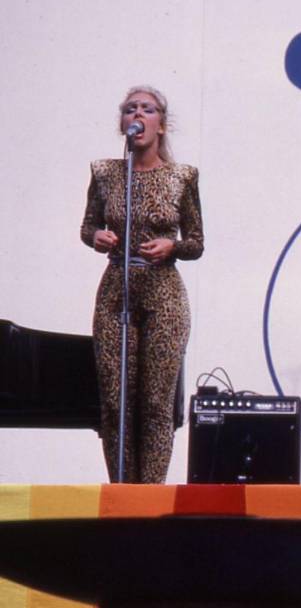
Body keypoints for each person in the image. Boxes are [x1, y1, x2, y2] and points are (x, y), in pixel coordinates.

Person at [80, 86, 203, 483]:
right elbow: (88, 227)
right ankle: (121, 493)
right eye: (130, 109)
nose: (137, 114)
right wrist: (96, 236)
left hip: (163, 293)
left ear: (161, 125)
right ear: (123, 123)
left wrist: (172, 246)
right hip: (116, 289)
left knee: (154, 403)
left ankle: (149, 497)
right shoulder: (105, 173)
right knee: (116, 401)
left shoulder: (182, 177)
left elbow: (196, 242)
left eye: (147, 109)